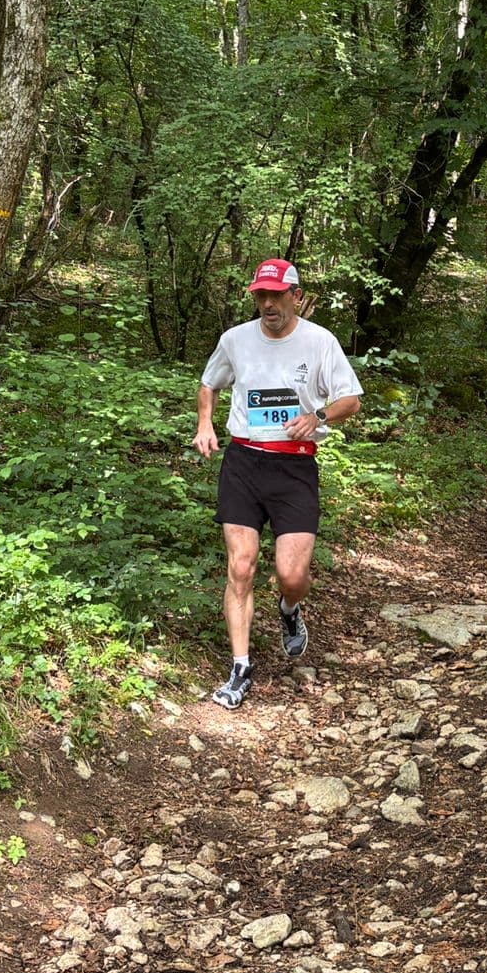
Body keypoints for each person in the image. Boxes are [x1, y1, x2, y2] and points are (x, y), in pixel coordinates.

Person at [194, 260, 363, 709]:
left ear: (295, 295)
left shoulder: (319, 341)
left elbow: (351, 398)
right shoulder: (235, 340)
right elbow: (209, 383)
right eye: (259, 296)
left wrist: (318, 416)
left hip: (295, 467)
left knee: (291, 575)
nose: (267, 304)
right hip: (244, 461)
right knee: (241, 566)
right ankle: (239, 668)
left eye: (275, 295)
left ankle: (289, 610)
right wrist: (205, 424)